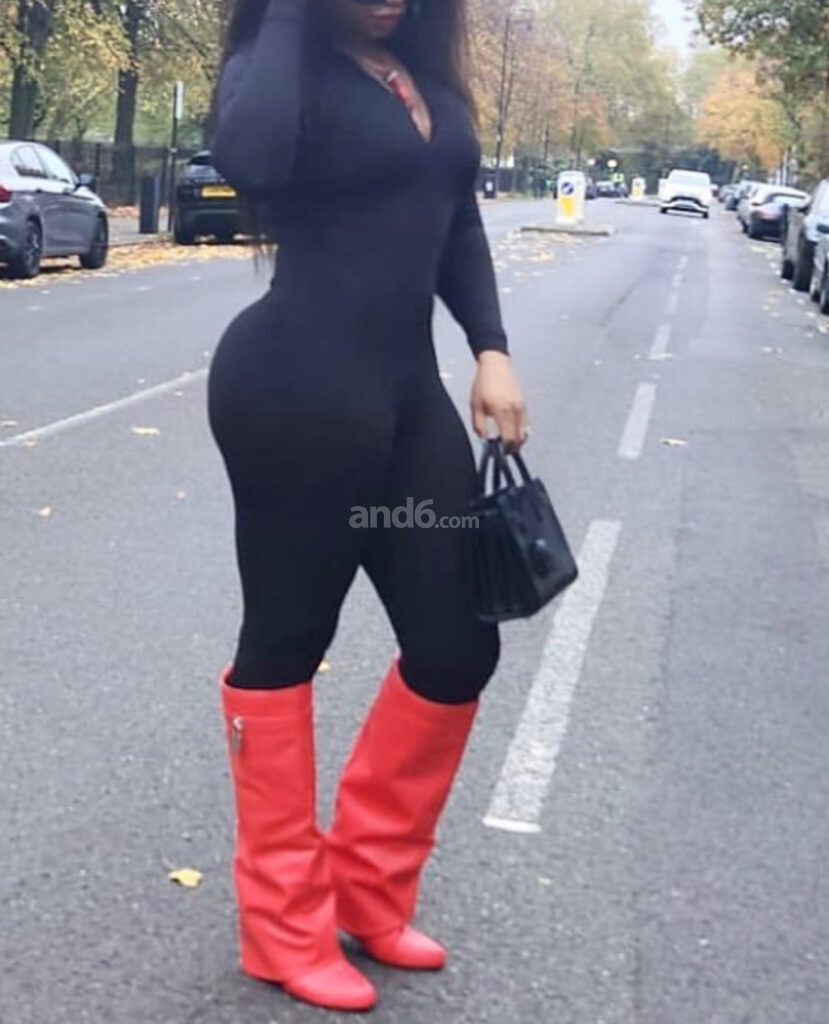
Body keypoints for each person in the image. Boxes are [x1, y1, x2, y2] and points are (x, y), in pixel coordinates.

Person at [206, 0, 528, 1012]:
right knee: (286, 643)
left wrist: (490, 347)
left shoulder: (421, 75)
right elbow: (251, 161)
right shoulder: (275, 65)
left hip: (406, 399)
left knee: (457, 646)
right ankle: (280, 927)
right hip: (291, 394)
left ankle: (365, 890)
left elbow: (455, 217)